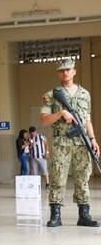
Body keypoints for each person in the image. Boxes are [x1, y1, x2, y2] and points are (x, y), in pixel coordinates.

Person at [40, 58, 99, 227]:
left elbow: (87, 119)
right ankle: (55, 215)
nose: (65, 73)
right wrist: (61, 113)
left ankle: (84, 214)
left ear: (74, 71)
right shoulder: (50, 95)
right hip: (61, 142)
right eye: (62, 70)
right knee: (57, 177)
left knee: (83, 178)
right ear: (58, 73)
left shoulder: (85, 94)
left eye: (68, 69)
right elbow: (44, 120)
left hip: (82, 142)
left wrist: (93, 139)